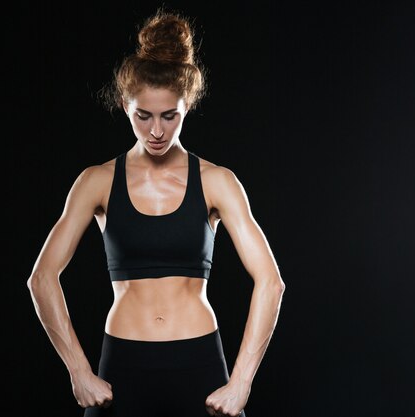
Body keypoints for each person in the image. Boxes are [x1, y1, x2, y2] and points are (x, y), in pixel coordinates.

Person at [28, 7, 285, 417]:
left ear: (187, 107)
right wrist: (78, 371)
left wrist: (241, 382)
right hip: (123, 369)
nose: (157, 131)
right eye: (142, 116)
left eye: (170, 116)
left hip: (199, 364)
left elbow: (270, 282)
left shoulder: (218, 181)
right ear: (125, 106)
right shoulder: (96, 181)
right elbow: (41, 278)